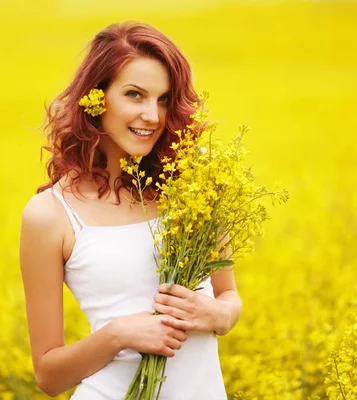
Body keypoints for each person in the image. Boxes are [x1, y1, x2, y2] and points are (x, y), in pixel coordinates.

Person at [19, 21, 243, 400]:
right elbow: (48, 376)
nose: (153, 116)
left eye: (164, 99)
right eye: (134, 95)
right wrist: (118, 334)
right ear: (96, 99)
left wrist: (217, 316)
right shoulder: (49, 215)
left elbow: (229, 298)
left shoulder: (195, 185)